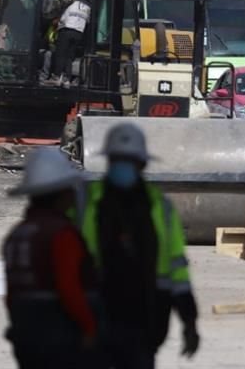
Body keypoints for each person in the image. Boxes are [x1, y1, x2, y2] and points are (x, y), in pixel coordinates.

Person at [80, 124, 199, 369]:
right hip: (95, 319)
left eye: (129, 160)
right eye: (120, 160)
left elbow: (177, 270)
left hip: (144, 321)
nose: (124, 167)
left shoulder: (160, 208)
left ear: (141, 164)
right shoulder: (86, 203)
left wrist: (189, 320)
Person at [2, 147, 101, 369]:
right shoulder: (61, 235)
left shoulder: (17, 235)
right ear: (61, 194)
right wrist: (89, 327)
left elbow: (11, 294)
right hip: (58, 332)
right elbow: (69, 287)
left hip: (25, 332)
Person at [51, 0, 91, 86]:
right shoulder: (87, 7)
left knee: (60, 54)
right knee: (69, 56)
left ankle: (56, 76)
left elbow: (63, 18)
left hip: (66, 29)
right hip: (79, 32)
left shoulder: (70, 2)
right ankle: (66, 78)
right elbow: (88, 21)